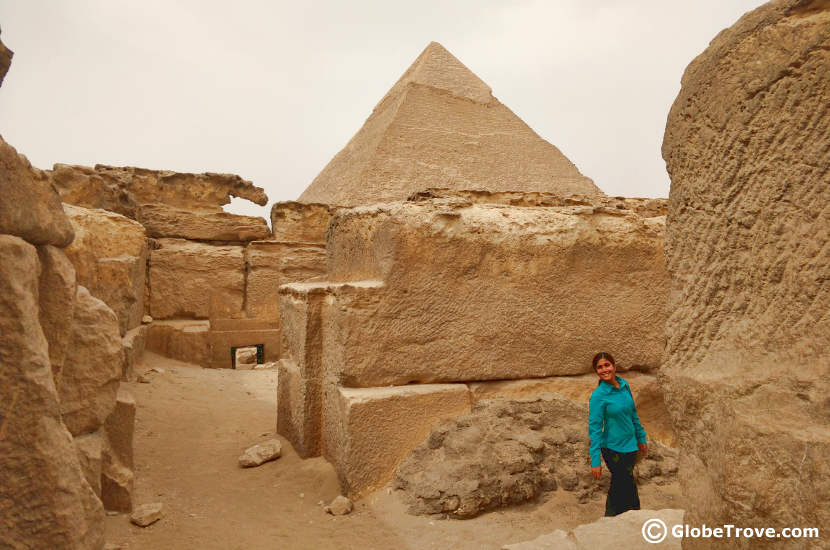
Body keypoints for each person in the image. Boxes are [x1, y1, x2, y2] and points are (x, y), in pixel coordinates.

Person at [588, 351, 647, 516]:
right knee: (624, 483)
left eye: (607, 365)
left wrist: (641, 437)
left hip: (630, 447)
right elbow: (594, 428)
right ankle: (618, 517)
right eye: (599, 367)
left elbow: (633, 414)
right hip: (613, 449)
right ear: (596, 372)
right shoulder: (599, 396)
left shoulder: (624, 385)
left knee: (624, 484)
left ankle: (625, 518)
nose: (604, 369)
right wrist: (595, 460)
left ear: (614, 366)